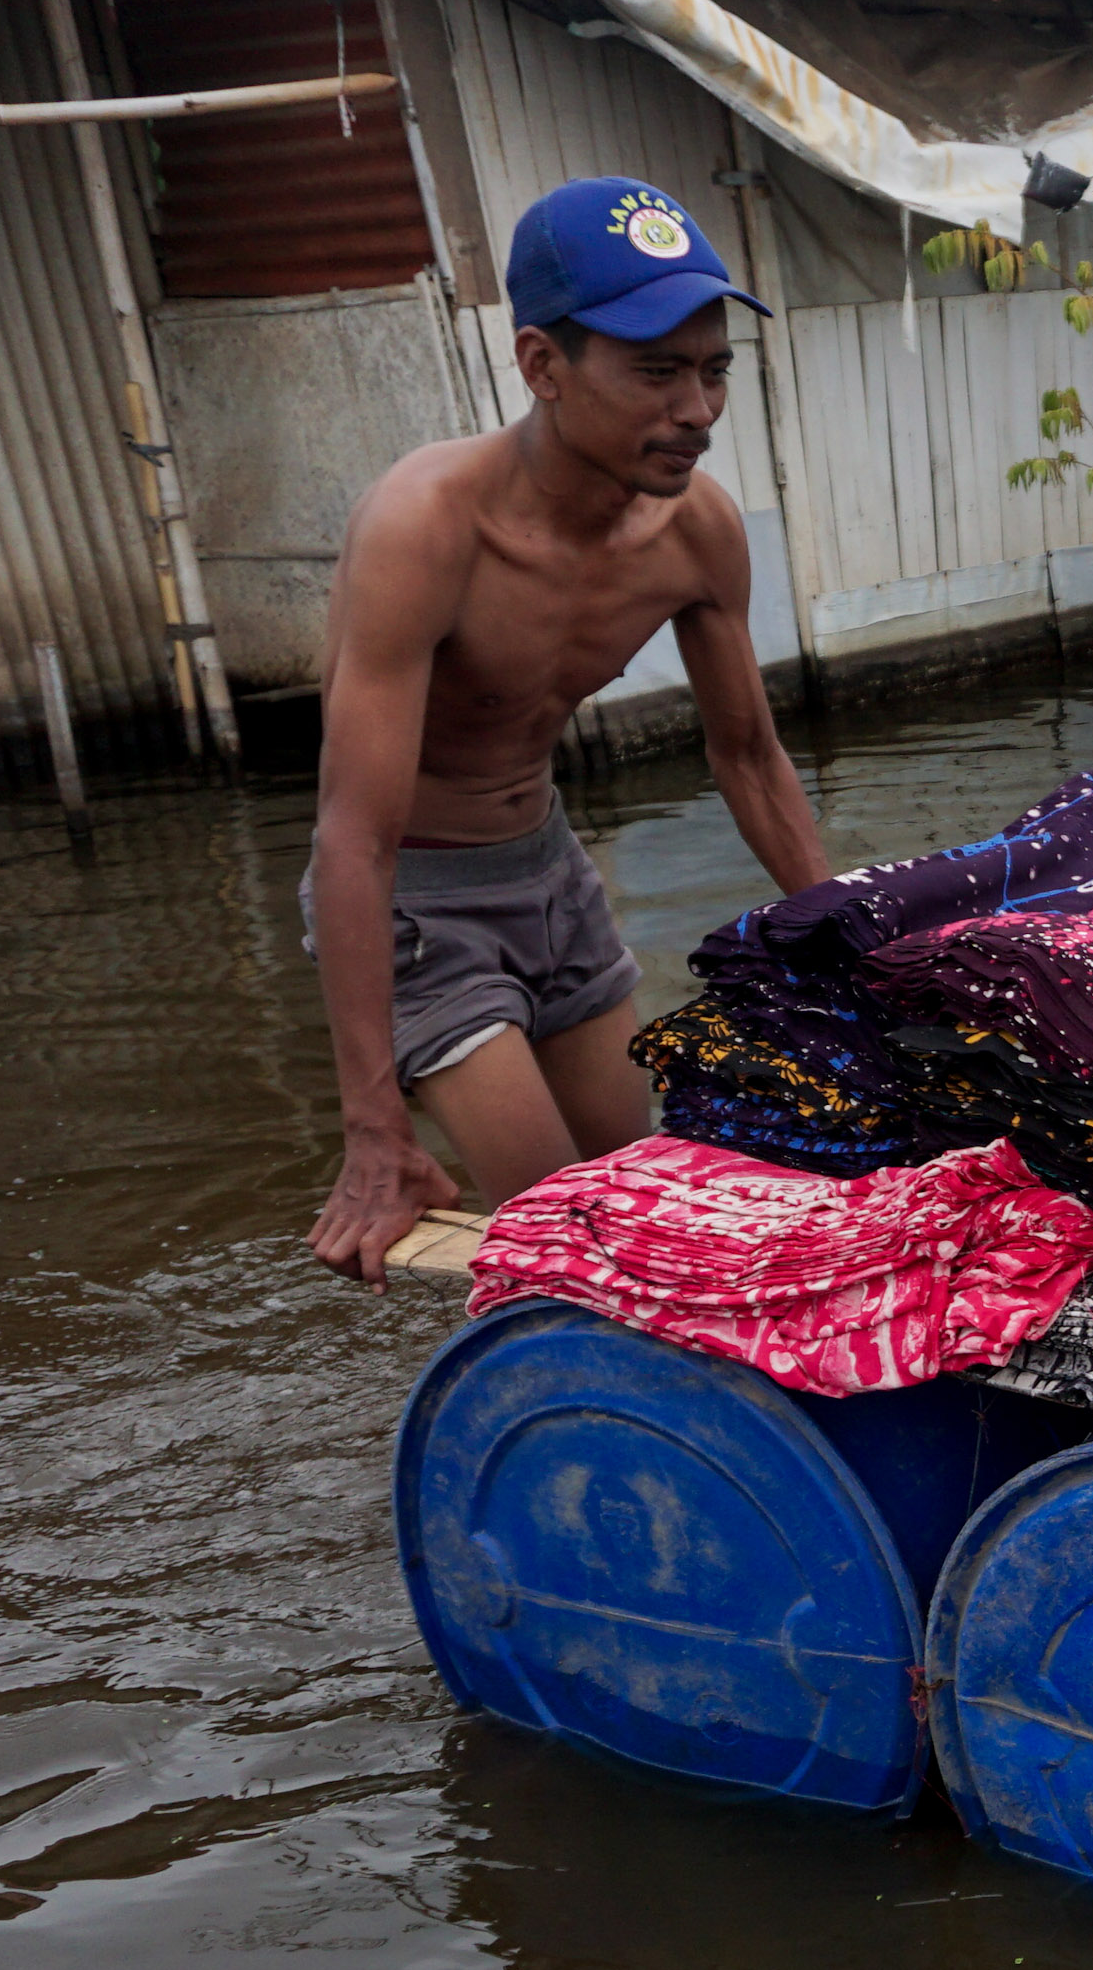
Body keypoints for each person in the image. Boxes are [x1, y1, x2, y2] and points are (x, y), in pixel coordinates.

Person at [303, 177, 833, 1284]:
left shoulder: (697, 531)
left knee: (646, 1196)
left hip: (551, 876)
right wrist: (372, 1133)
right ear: (543, 366)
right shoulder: (427, 527)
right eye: (656, 372)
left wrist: (842, 946)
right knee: (570, 1234)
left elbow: (746, 755)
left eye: (713, 368)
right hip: (420, 907)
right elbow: (352, 839)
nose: (696, 409)